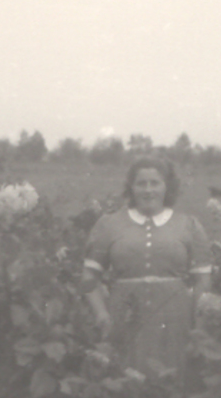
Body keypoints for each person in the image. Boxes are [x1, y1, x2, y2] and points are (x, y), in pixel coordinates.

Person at [81, 157, 212, 379]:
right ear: (131, 187)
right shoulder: (109, 224)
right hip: (124, 317)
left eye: (155, 183)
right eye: (141, 183)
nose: (148, 190)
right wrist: (101, 313)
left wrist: (199, 327)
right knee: (125, 381)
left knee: (171, 381)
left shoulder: (188, 225)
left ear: (167, 187)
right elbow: (89, 275)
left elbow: (203, 281)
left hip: (175, 320)